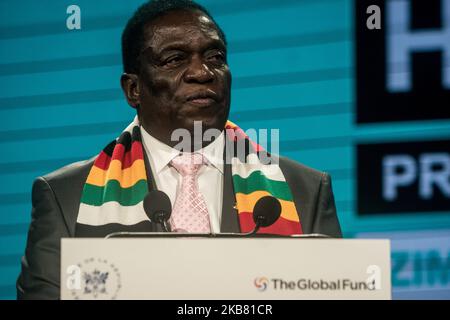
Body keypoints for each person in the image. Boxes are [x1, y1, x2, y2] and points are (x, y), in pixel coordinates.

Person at [17, 0, 342, 300]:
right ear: (134, 89)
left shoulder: (306, 191)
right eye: (174, 59)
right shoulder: (65, 198)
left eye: (215, 57)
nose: (202, 73)